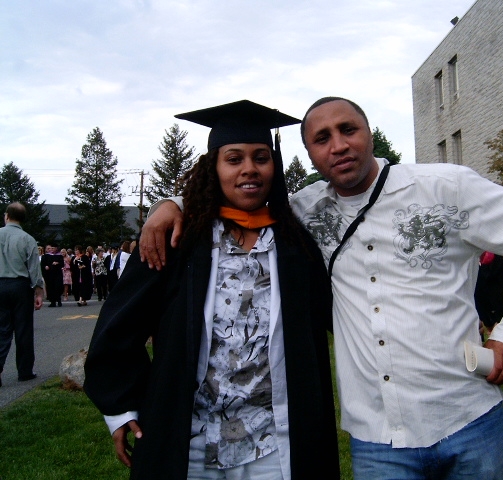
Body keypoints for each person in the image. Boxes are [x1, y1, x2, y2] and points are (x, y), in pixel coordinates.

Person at [140, 97, 503, 479]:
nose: (338, 145)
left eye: (348, 130)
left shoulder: (445, 187)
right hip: (378, 436)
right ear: (309, 155)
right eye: (321, 139)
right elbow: (241, 197)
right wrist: (171, 205)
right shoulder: (303, 212)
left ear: (370, 133)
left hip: (468, 417)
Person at [84, 100, 340, 479]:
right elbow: (119, 325)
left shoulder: (296, 246)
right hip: (190, 442)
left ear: (274, 167)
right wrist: (121, 409)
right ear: (214, 169)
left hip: (275, 444)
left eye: (261, 158)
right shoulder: (179, 241)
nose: (249, 169)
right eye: (233, 159)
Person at [0, 202, 44, 386]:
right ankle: (25, 370)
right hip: (20, 285)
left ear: (7, 216)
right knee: (23, 329)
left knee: (2, 330)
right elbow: (34, 268)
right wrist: (38, 291)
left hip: (1, 283)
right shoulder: (28, 239)